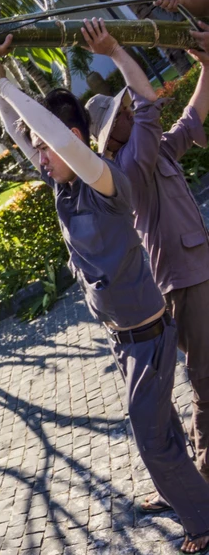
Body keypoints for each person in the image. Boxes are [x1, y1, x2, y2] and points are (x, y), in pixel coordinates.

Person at [0, 27, 209, 555]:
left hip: (146, 333)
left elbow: (57, 140)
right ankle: (188, 489)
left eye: (47, 147)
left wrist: (10, 88)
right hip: (123, 338)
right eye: (39, 151)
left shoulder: (105, 182)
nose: (40, 157)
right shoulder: (62, 189)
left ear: (73, 139)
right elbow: (21, 131)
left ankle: (202, 518)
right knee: (161, 428)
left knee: (150, 436)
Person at [84, 37, 209, 501]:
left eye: (126, 109)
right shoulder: (127, 167)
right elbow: (150, 106)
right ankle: (202, 477)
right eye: (122, 114)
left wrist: (207, 66)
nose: (130, 113)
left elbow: (191, 118)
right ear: (111, 135)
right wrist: (115, 51)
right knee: (205, 379)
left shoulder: (152, 152)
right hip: (182, 280)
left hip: (195, 270)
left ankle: (189, 474)